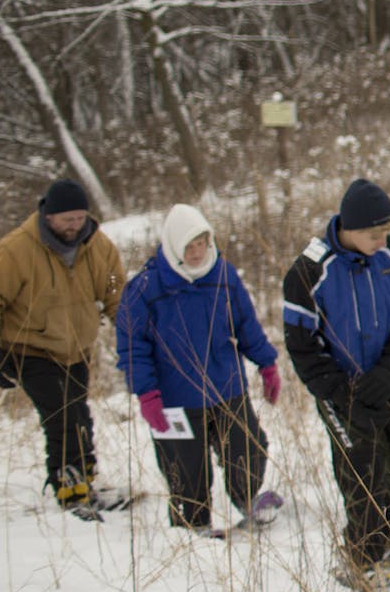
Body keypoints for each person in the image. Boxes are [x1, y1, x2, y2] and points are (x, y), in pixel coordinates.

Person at [283, 179, 390, 592]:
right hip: (340, 392)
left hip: (387, 381)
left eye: (386, 232)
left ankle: (388, 532)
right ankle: (361, 556)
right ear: (348, 227)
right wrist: (341, 392)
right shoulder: (309, 271)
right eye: (373, 234)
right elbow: (301, 345)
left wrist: (389, 368)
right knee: (365, 476)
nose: (383, 241)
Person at [116, 204, 285, 536]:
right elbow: (133, 347)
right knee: (185, 469)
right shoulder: (145, 288)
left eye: (202, 244)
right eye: (189, 247)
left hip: (226, 385)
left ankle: (247, 499)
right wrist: (146, 393)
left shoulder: (223, 275)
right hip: (175, 397)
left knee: (249, 448)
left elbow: (246, 324)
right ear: (174, 246)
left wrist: (267, 364)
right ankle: (191, 527)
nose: (197, 253)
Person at [0, 179, 131, 518]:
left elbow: (114, 287)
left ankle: (85, 478)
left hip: (76, 348)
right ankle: (69, 490)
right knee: (61, 417)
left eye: (79, 218)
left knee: (80, 415)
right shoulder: (17, 250)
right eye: (67, 219)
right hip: (31, 349)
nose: (74, 225)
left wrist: (131, 332)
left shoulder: (98, 246)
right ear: (48, 216)